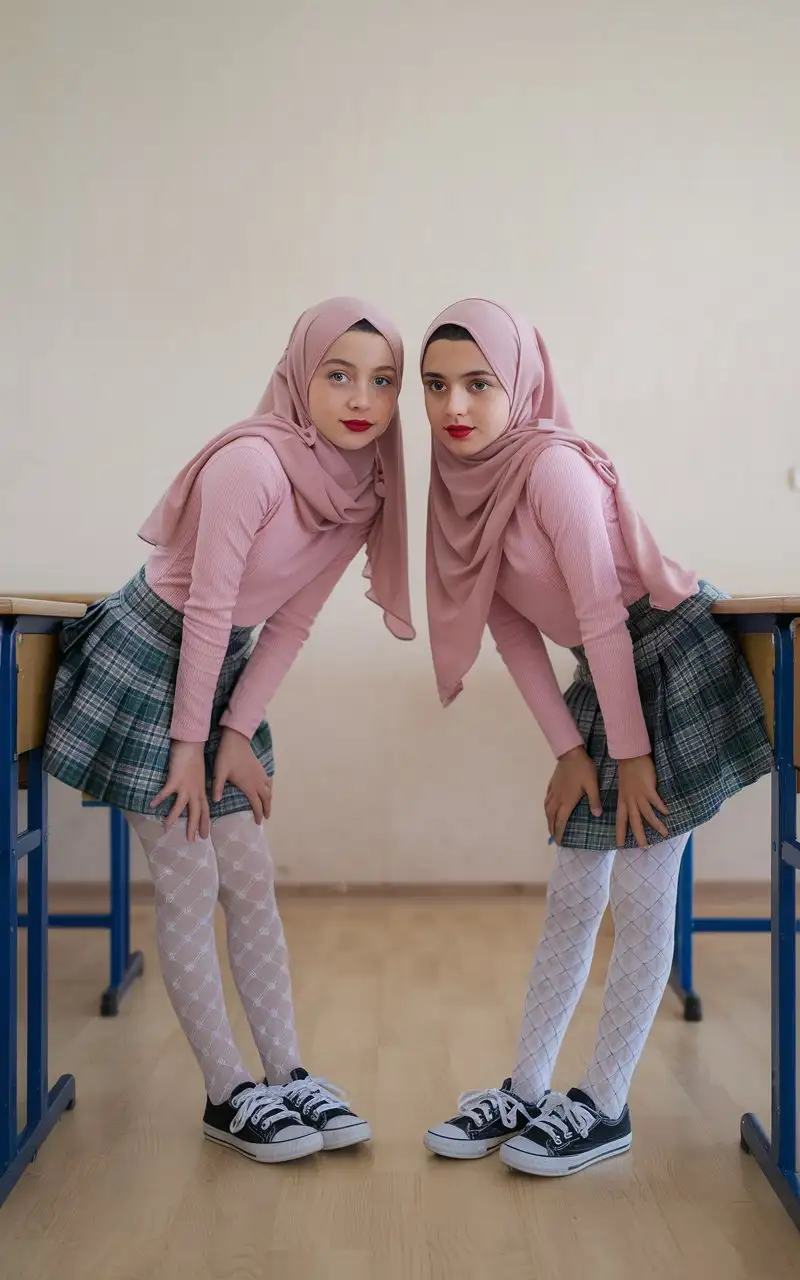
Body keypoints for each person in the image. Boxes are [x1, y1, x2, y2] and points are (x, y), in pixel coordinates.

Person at [45, 297, 414, 1164]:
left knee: (249, 878)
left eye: (383, 380)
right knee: (188, 878)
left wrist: (236, 732)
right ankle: (226, 1093)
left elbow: (287, 622)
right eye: (338, 374)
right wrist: (189, 745)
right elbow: (207, 606)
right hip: (151, 657)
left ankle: (285, 1075)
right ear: (301, 372)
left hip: (221, 673)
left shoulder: (363, 491)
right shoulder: (251, 463)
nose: (361, 397)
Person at [420, 297, 771, 1176]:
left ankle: (604, 1104)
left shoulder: (554, 472)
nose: (454, 409)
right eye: (435, 387)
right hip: (606, 681)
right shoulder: (458, 495)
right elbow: (510, 631)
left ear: (520, 385)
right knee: (575, 892)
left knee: (645, 895)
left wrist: (632, 756)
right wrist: (572, 754)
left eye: (477, 385)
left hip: (665, 654)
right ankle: (530, 1085)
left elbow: (605, 617)